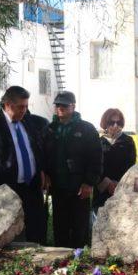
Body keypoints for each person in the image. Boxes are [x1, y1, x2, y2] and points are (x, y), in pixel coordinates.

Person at [0, 86, 48, 244]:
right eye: (20, 107)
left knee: (37, 231)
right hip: (7, 189)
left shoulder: (29, 121)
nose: (24, 110)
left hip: (32, 186)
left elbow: (37, 148)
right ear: (7, 105)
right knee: (9, 236)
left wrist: (42, 170)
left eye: (26, 106)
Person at [44, 91, 102, 248]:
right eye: (57, 104)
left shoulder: (86, 129)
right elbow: (44, 155)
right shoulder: (50, 129)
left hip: (79, 188)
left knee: (79, 229)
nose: (60, 107)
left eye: (64, 105)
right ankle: (60, 262)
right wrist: (46, 175)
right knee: (59, 228)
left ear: (73, 106)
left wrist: (89, 183)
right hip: (57, 188)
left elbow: (96, 158)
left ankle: (79, 261)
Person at [93, 108, 136, 211]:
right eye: (112, 122)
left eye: (118, 122)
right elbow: (94, 165)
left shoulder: (128, 142)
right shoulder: (98, 142)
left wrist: (119, 184)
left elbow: (132, 166)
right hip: (102, 190)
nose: (115, 125)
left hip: (122, 190)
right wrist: (107, 183)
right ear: (105, 123)